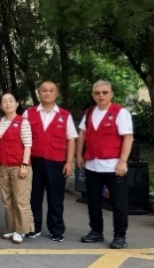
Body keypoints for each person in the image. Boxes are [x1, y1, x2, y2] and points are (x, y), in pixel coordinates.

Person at [76, 80, 134, 249]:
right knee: (93, 201)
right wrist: (78, 155)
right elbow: (82, 134)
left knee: (118, 203)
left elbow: (128, 138)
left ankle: (119, 236)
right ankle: (96, 231)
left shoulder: (120, 112)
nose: (101, 95)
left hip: (113, 166)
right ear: (93, 95)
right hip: (92, 165)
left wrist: (122, 162)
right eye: (97, 93)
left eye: (104, 92)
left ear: (111, 94)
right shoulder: (89, 113)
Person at [26, 80, 77, 242]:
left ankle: (56, 229)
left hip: (57, 162)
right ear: (38, 93)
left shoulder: (65, 115)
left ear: (56, 93)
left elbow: (71, 140)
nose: (47, 93)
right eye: (44, 90)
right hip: (34, 161)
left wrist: (69, 162)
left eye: (51, 90)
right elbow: (23, 138)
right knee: (34, 196)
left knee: (56, 198)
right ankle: (33, 227)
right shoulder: (29, 113)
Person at [0, 92, 34, 244]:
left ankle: (21, 230)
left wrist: (24, 165)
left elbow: (28, 145)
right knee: (7, 199)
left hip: (18, 165)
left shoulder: (23, 122)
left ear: (17, 103)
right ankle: (11, 228)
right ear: (1, 106)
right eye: (4, 101)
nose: (8, 103)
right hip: (2, 165)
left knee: (21, 200)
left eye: (11, 100)